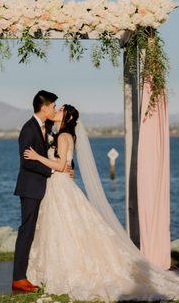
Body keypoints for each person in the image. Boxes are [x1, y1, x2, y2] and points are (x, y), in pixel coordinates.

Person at [24, 104, 179, 302]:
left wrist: (37, 157)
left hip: (60, 187)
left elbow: (61, 165)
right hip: (58, 186)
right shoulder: (60, 134)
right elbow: (67, 165)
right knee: (63, 228)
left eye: (61, 110)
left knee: (64, 227)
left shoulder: (63, 137)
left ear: (68, 118)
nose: (57, 111)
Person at [12, 91, 74, 292]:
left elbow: (60, 155)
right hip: (30, 188)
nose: (55, 109)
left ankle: (31, 272)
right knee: (26, 231)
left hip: (45, 188)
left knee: (38, 231)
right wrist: (52, 170)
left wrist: (66, 168)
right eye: (54, 106)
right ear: (45, 107)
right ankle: (18, 278)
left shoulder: (48, 127)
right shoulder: (28, 129)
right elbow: (26, 161)